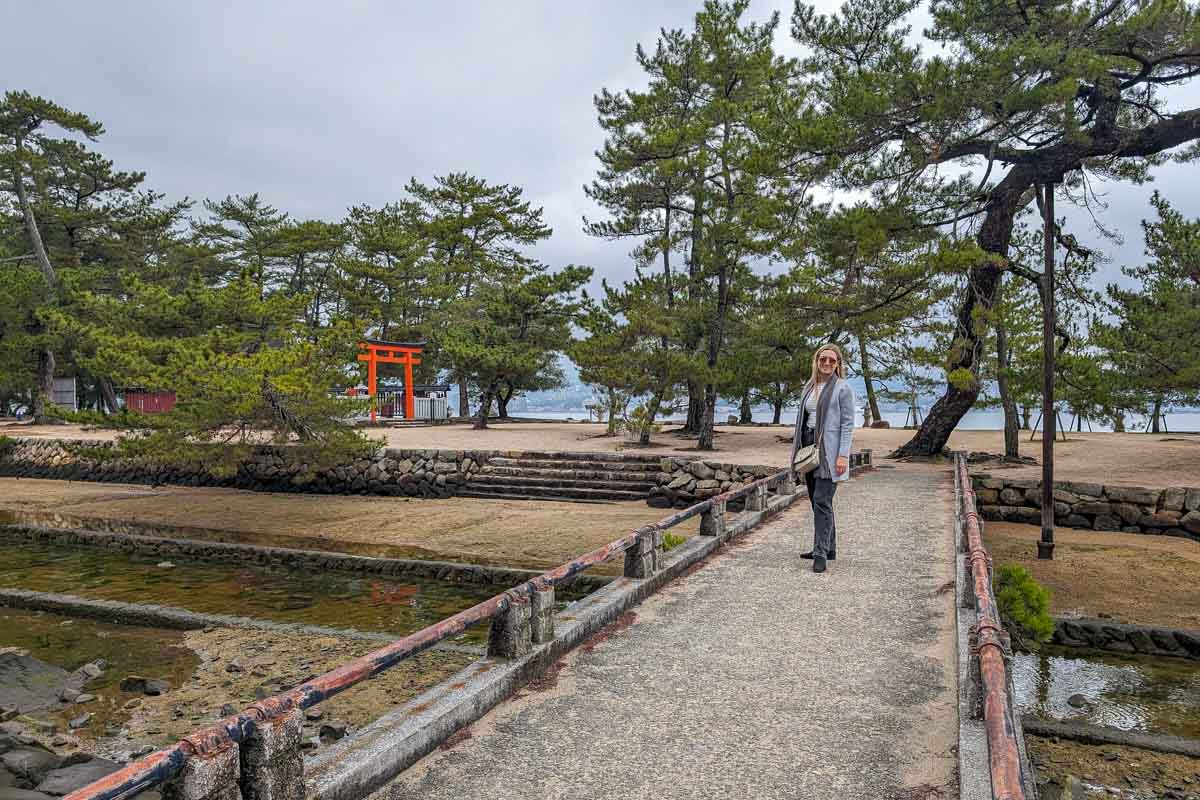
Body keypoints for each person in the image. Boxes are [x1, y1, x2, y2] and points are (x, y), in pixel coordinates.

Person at [789, 343, 855, 573]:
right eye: (823, 359)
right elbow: (804, 419)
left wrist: (843, 455)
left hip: (830, 451)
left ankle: (820, 553)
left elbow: (848, 425)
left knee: (822, 500)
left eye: (832, 360)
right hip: (809, 447)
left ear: (838, 364)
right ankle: (829, 547)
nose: (827, 363)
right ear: (816, 361)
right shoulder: (809, 387)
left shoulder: (842, 388)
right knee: (816, 501)